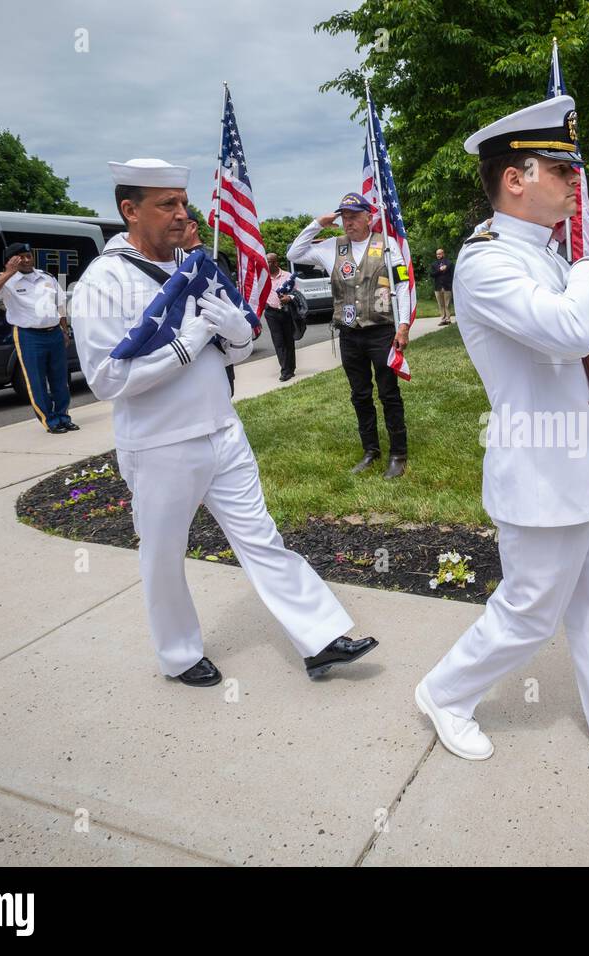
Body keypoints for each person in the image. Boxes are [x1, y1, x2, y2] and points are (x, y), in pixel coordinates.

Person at [415, 96, 589, 762]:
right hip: (540, 474)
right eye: (562, 170)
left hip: (583, 463)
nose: (577, 183)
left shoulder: (541, 255)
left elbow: (566, 360)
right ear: (515, 179)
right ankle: (445, 692)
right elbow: (570, 331)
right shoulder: (486, 263)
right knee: (531, 611)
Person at [70, 157, 377, 687]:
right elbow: (106, 379)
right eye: (167, 204)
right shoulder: (105, 280)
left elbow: (231, 354)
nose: (181, 213)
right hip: (161, 444)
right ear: (130, 210)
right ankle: (180, 654)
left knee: (262, 538)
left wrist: (237, 335)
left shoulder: (194, 267)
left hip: (221, 429)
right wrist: (185, 347)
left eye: (182, 203)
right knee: (164, 558)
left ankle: (320, 639)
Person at [287, 194, 410, 479]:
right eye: (344, 216)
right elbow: (294, 254)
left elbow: (401, 285)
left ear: (369, 216)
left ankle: (398, 453)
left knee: (389, 393)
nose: (349, 222)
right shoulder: (332, 247)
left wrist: (402, 325)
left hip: (382, 331)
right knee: (360, 395)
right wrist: (318, 223)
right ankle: (371, 450)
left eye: (354, 216)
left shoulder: (387, 245)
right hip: (349, 334)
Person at [0, 243, 77, 433]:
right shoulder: (4, 280)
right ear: (10, 261)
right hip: (29, 335)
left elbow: (60, 304)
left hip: (54, 332)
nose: (26, 260)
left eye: (28, 256)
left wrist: (65, 330)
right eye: (20, 257)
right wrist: (8, 273)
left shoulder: (46, 277)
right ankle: (50, 421)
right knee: (37, 381)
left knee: (60, 379)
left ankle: (64, 416)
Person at [180, 214, 236, 395]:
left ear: (192, 226)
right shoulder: (173, 258)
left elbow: (226, 297)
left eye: (179, 224)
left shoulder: (211, 256)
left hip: (213, 343)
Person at [264, 253, 296, 381]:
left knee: (289, 341)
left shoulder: (288, 276)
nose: (266, 264)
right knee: (278, 342)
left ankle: (291, 368)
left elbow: (296, 294)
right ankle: (285, 370)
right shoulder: (263, 278)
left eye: (269, 262)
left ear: (275, 263)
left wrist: (289, 298)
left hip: (286, 312)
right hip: (271, 313)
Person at [429, 248, 454, 325]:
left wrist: (451, 284)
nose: (438, 255)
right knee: (441, 304)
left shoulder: (449, 263)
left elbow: (452, 274)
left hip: (447, 286)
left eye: (439, 254)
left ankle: (448, 319)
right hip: (438, 287)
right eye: (437, 254)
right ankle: (443, 319)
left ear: (443, 254)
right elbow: (432, 274)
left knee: (447, 304)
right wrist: (439, 270)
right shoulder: (434, 264)